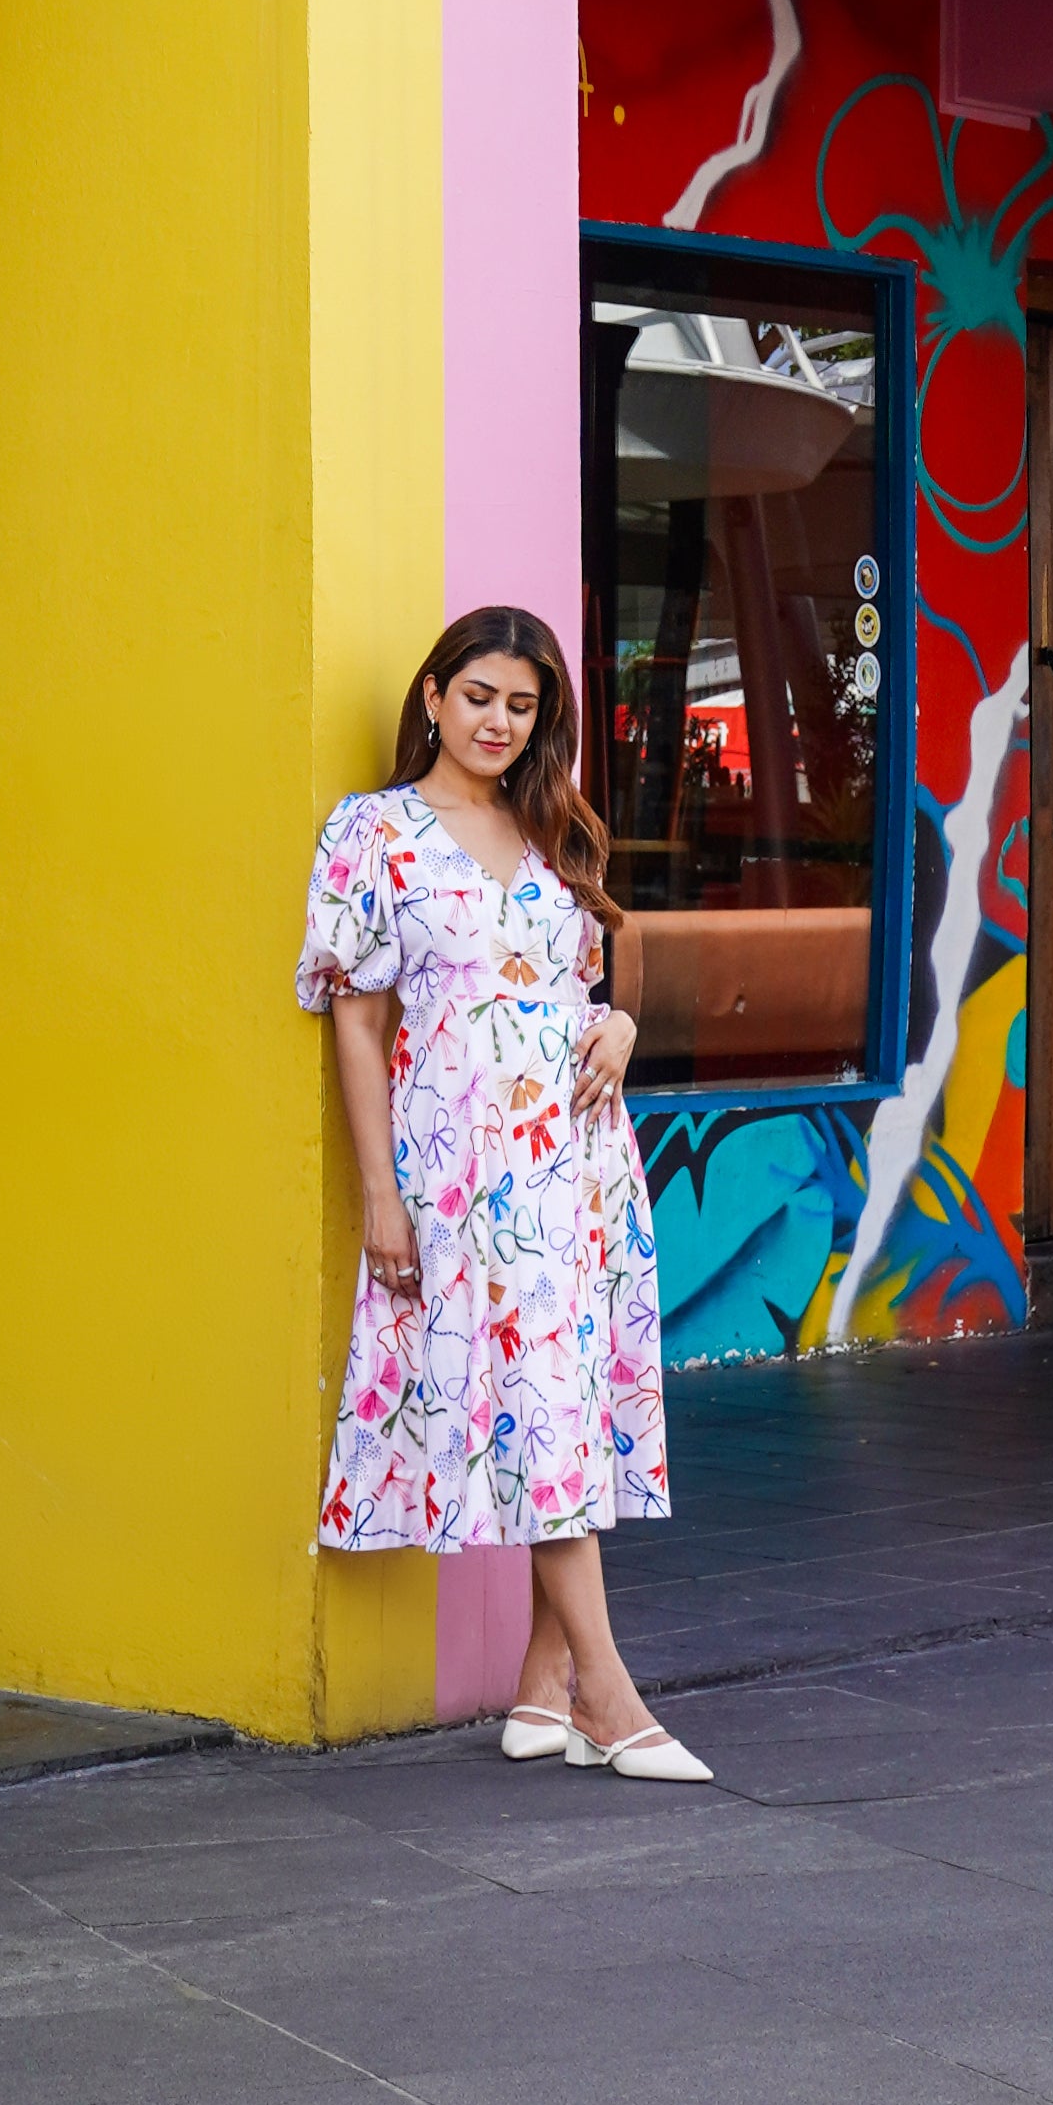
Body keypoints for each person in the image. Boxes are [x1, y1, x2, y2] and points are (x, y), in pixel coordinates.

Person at [296, 605, 702, 1778]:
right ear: (432, 696)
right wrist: (381, 1192)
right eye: (478, 697)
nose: (497, 723)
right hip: (459, 1171)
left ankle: (543, 1685)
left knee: (557, 1401)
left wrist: (621, 1021)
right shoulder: (372, 834)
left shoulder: (552, 825)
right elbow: (359, 1027)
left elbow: (591, 978)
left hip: (576, 1165)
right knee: (534, 1400)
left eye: (521, 707)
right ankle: (612, 1698)